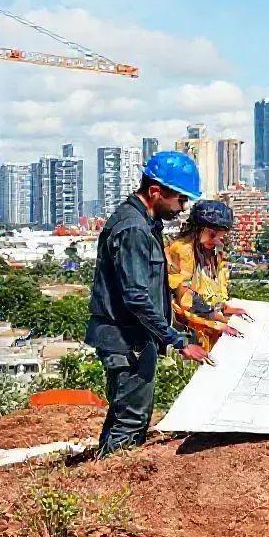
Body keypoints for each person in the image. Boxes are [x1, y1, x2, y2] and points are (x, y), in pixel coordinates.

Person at [85, 151, 212, 457]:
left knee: (125, 416)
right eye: (179, 200)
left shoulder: (144, 224)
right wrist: (177, 341)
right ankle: (111, 489)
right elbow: (136, 297)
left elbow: (151, 289)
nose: (182, 208)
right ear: (156, 192)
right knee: (130, 421)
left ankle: (105, 481)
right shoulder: (134, 230)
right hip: (127, 341)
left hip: (134, 338)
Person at [166, 200, 252, 351]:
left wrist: (225, 308)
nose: (217, 240)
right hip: (187, 334)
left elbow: (214, 291)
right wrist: (215, 318)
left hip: (211, 333)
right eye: (212, 234)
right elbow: (185, 298)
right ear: (198, 229)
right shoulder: (182, 250)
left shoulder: (214, 252)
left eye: (222, 236)